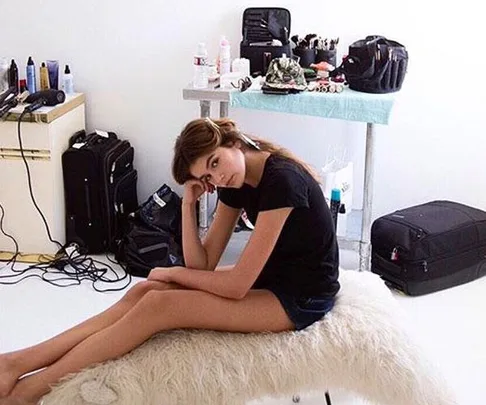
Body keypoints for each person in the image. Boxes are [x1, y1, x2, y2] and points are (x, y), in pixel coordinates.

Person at [0, 117, 340, 404]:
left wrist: (174, 272)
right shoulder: (236, 183)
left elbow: (236, 285)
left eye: (215, 163)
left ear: (234, 141)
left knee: (160, 306)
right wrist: (187, 205)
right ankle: (16, 363)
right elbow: (202, 266)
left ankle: (28, 391)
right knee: (147, 290)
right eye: (207, 177)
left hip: (301, 297)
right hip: (271, 278)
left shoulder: (282, 181)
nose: (216, 179)